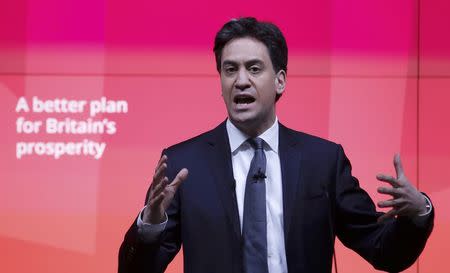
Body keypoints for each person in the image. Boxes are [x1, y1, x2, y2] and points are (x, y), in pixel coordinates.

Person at [118, 17, 434, 273]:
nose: (240, 80)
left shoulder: (323, 161)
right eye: (230, 70)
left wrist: (419, 212)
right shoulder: (183, 164)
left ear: (280, 80)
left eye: (254, 68)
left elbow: (384, 251)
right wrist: (150, 225)